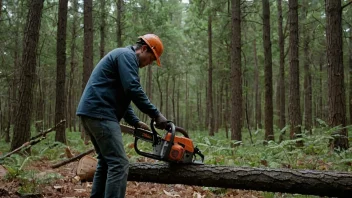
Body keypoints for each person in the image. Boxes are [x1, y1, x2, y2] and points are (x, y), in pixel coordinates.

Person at [76, 34, 168, 198]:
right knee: (119, 163)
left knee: (106, 162)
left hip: (92, 112)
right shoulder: (126, 56)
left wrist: (136, 122)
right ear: (144, 49)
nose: (149, 63)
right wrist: (156, 114)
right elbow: (133, 89)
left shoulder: (123, 58)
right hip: (101, 113)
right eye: (150, 59)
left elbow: (123, 96)